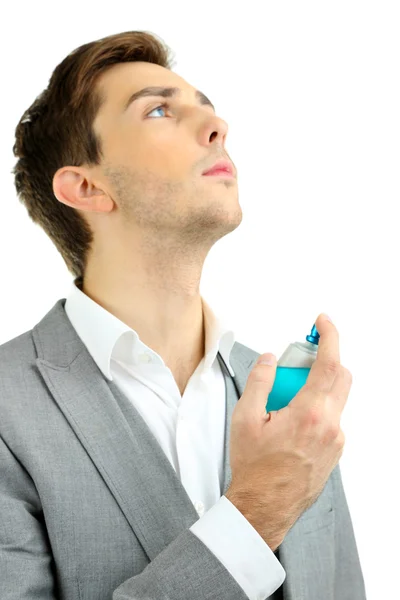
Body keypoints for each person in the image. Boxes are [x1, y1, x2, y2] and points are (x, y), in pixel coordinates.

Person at [0, 30, 366, 599]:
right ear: (86, 187)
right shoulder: (7, 408)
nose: (218, 128)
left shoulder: (296, 406)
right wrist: (258, 511)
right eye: (159, 110)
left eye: (208, 108)